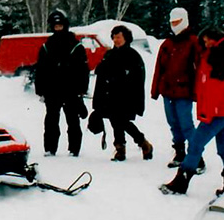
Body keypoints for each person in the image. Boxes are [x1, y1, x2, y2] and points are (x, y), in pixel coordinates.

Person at [161, 29, 224, 195]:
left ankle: (181, 181)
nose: (205, 44)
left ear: (214, 39)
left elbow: (214, 87)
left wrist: (208, 111)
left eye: (207, 41)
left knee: (196, 144)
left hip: (218, 111)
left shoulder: (218, 56)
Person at [151, 8, 206, 172]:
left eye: (177, 22)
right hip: (167, 91)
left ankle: (197, 157)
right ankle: (180, 153)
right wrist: (155, 90)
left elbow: (200, 68)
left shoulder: (193, 43)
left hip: (184, 92)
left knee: (186, 124)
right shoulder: (167, 44)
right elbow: (159, 68)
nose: (174, 25)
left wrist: (199, 91)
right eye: (172, 22)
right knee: (173, 124)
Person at [92, 25, 153, 162]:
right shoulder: (109, 55)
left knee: (122, 121)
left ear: (126, 38)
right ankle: (121, 148)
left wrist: (135, 97)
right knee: (116, 121)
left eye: (119, 37)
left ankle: (142, 143)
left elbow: (138, 79)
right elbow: (101, 76)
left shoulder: (133, 56)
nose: (116, 40)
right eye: (114, 37)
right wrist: (99, 98)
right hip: (110, 95)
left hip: (127, 96)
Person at [33, 10, 90, 156]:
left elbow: (83, 69)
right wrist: (40, 89)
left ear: (66, 25)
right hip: (52, 90)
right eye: (55, 26)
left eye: (60, 25)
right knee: (51, 121)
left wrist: (82, 88)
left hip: (71, 89)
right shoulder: (47, 46)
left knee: (72, 120)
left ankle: (74, 149)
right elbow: (40, 69)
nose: (58, 28)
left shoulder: (76, 46)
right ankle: (50, 148)